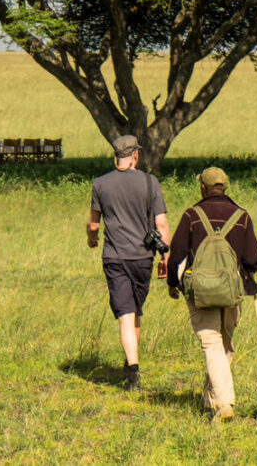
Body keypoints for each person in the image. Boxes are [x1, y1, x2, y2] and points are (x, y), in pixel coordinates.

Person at [165, 167, 257, 423]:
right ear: (226, 187)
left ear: (203, 189)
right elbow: (253, 258)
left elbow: (176, 255)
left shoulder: (191, 215)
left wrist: (173, 283)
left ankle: (224, 402)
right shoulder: (242, 216)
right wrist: (248, 274)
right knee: (224, 346)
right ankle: (212, 400)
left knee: (211, 344)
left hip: (200, 291)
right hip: (232, 290)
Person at [86, 134, 170, 390]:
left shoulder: (100, 184)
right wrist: (166, 256)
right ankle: (131, 363)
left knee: (126, 314)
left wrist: (92, 238)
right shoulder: (149, 182)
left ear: (116, 157)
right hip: (144, 257)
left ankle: (132, 372)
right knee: (135, 312)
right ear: (135, 156)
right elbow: (162, 223)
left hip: (114, 257)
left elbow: (93, 223)